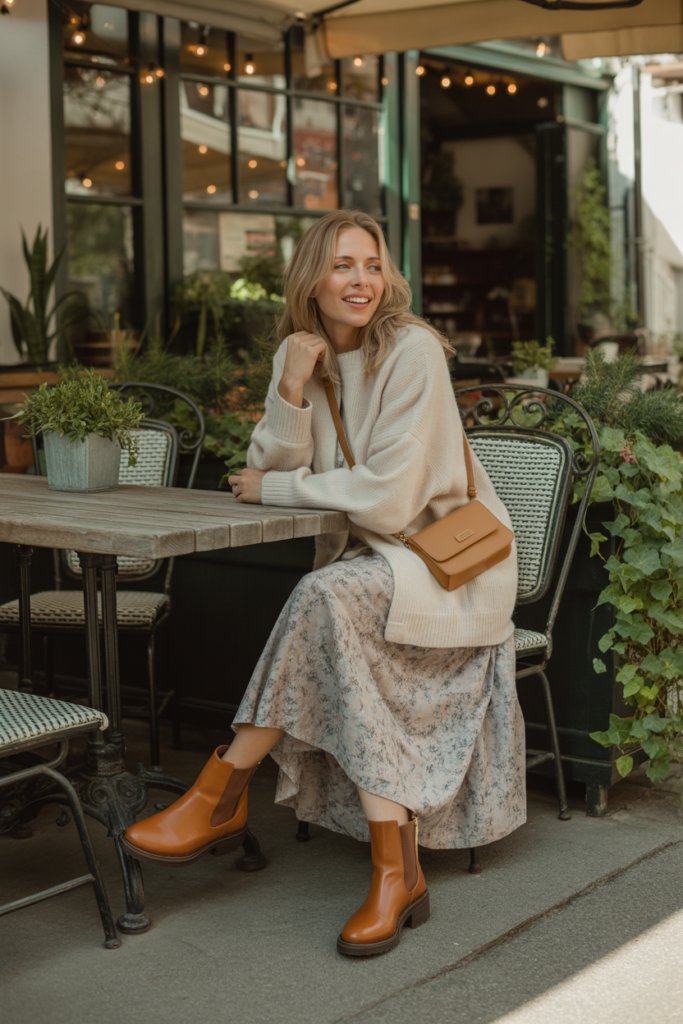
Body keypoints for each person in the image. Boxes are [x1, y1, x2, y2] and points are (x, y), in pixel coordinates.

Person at [121, 210, 525, 957]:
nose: (360, 281)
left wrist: (274, 491)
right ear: (312, 277)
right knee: (334, 616)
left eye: (371, 265)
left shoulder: (412, 352)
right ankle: (394, 872)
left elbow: (390, 496)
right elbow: (271, 464)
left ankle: (219, 791)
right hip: (371, 570)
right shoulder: (303, 353)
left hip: (444, 570)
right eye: (342, 266)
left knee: (321, 598)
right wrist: (290, 383)